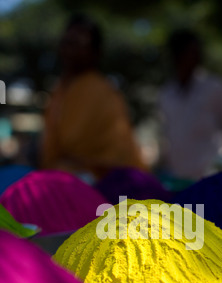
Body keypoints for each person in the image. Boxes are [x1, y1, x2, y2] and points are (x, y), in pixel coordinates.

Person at [39, 14, 146, 182]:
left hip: (110, 187)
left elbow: (74, 144)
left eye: (78, 44)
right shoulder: (60, 89)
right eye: (66, 42)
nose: (69, 50)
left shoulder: (99, 90)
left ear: (96, 53)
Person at [158, 29, 222, 181]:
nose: (195, 58)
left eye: (197, 53)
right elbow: (167, 133)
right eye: (189, 52)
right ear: (176, 55)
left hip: (213, 175)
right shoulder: (166, 93)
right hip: (179, 176)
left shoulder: (216, 87)